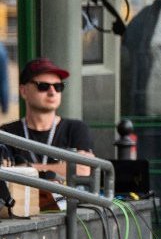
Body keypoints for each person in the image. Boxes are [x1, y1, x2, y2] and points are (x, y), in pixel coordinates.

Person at [1, 58, 95, 187]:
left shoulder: (76, 128)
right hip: (23, 205)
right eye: (43, 86)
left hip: (68, 206)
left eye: (58, 87)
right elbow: (4, 174)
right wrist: (61, 168)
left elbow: (83, 170)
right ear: (23, 91)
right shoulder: (6, 133)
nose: (52, 92)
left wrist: (27, 168)